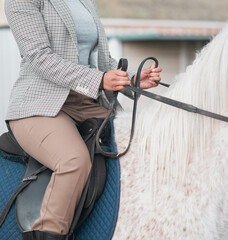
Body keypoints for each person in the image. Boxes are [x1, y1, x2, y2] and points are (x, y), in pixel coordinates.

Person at [4, 0, 162, 238]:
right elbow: (39, 57)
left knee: (143, 140)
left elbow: (102, 61)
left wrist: (131, 80)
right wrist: (98, 80)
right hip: (40, 104)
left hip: (89, 102)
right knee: (73, 160)